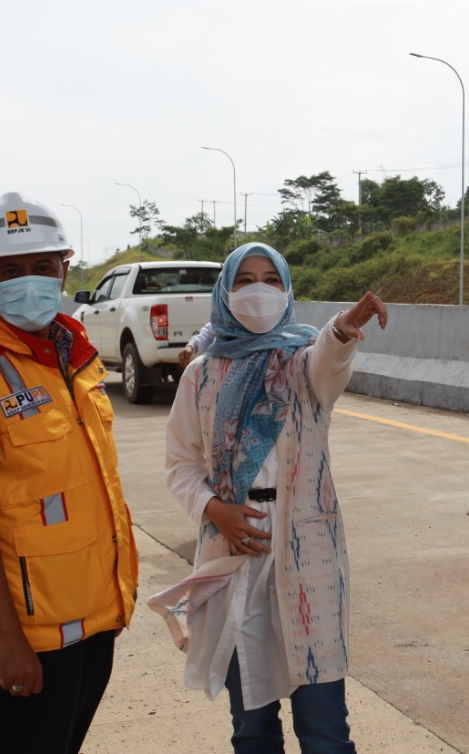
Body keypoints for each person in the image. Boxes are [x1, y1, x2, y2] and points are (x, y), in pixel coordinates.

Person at [0, 193, 138, 754]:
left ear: (65, 266)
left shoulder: (74, 358)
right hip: (33, 636)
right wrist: (9, 641)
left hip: (97, 617)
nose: (29, 280)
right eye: (10, 270)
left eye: (42, 265)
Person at [148, 241, 387, 753]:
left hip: (307, 558)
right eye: (245, 280)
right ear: (225, 292)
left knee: (325, 727)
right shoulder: (201, 374)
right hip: (234, 553)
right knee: (252, 726)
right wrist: (215, 510)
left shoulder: (302, 362)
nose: (259, 290)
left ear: (288, 291)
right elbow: (181, 464)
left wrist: (343, 329)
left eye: (271, 280)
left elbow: (329, 360)